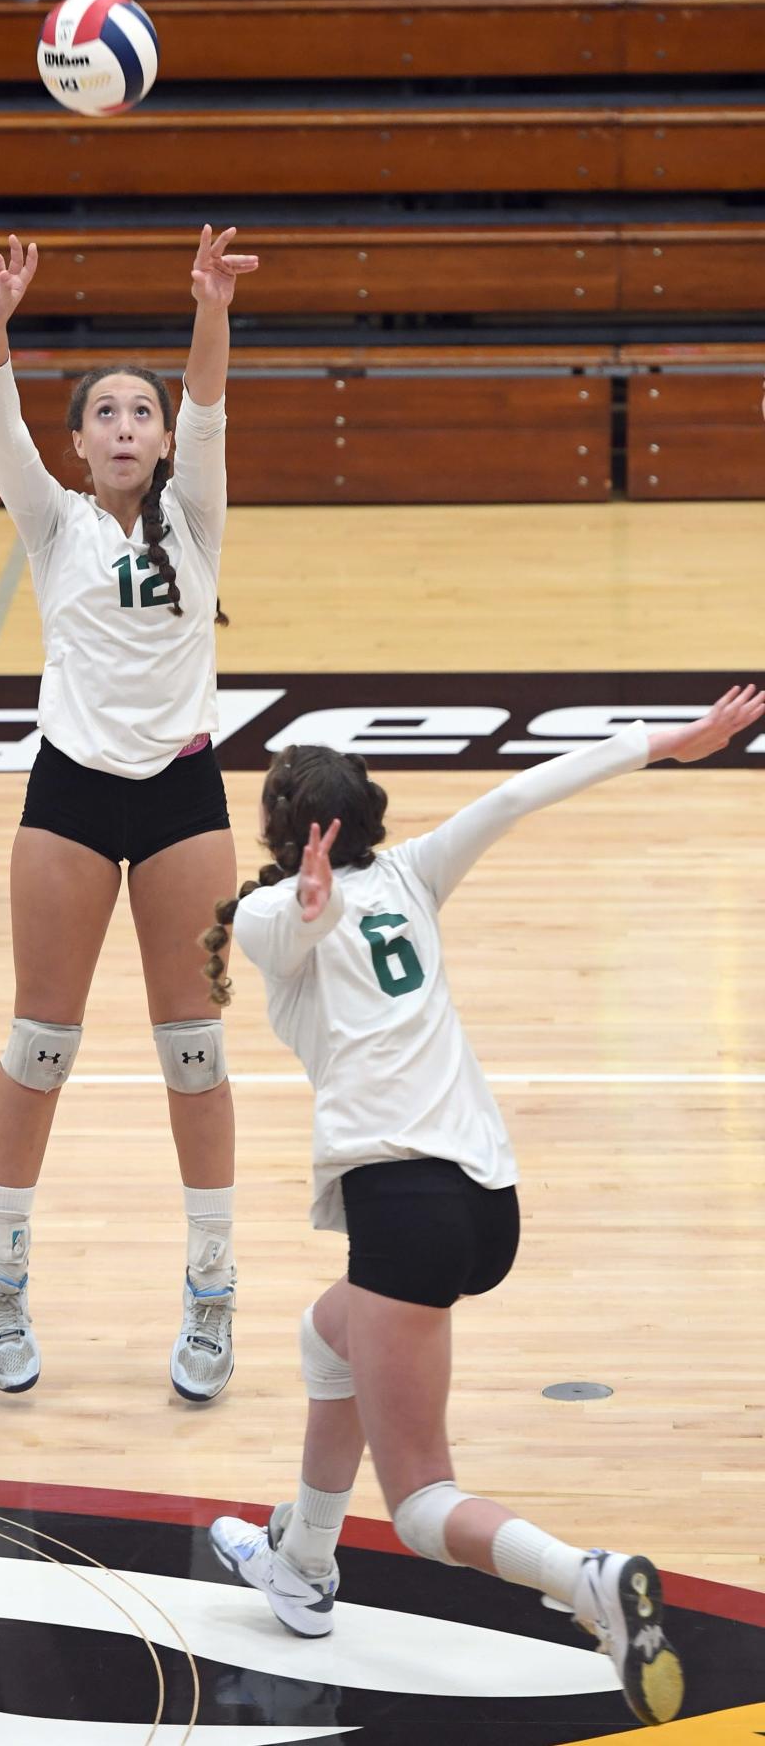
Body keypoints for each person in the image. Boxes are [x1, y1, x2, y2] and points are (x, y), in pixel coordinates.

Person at [204, 684, 764, 1728]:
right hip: (488, 1204)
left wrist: (311, 903)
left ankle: (583, 1574)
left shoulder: (276, 912)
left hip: (406, 1207)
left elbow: (285, 929)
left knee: (419, 1503)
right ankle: (301, 1561)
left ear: (281, 836)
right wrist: (672, 741)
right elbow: (520, 794)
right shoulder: (412, 872)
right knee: (328, 1338)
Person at [0, 226, 258, 1402]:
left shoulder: (197, 515)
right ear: (79, 444)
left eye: (143, 412)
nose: (131, 425)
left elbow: (209, 397)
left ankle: (212, 1287)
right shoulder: (54, 526)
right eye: (108, 415)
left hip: (185, 798)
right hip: (72, 794)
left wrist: (207, 306)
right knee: (41, 1043)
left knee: (195, 1053)